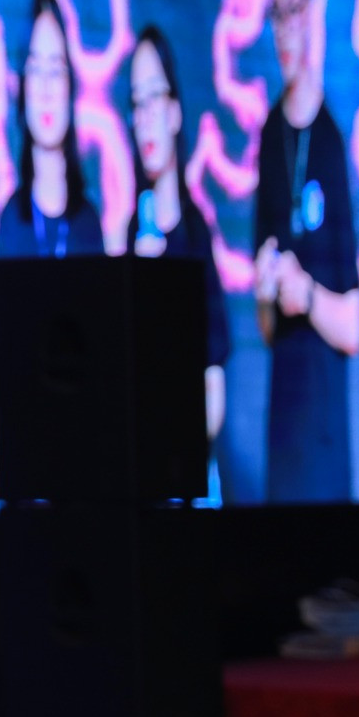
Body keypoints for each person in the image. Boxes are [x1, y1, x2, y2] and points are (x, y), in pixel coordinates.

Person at [253, 0, 359, 503]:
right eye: (276, 13)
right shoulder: (268, 138)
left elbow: (354, 328)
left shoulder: (332, 142)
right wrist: (265, 292)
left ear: (312, 11)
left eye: (293, 9)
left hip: (324, 434)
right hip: (282, 431)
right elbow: (267, 329)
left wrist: (308, 295)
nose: (285, 29)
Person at [125, 23, 230, 446]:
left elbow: (214, 396)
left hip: (184, 458)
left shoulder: (195, 235)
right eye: (137, 103)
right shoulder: (131, 231)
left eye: (155, 97)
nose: (146, 116)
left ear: (174, 112)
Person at [0, 0, 105, 261]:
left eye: (55, 71)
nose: (45, 89)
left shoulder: (89, 223)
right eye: (35, 70)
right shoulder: (11, 220)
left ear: (70, 87)